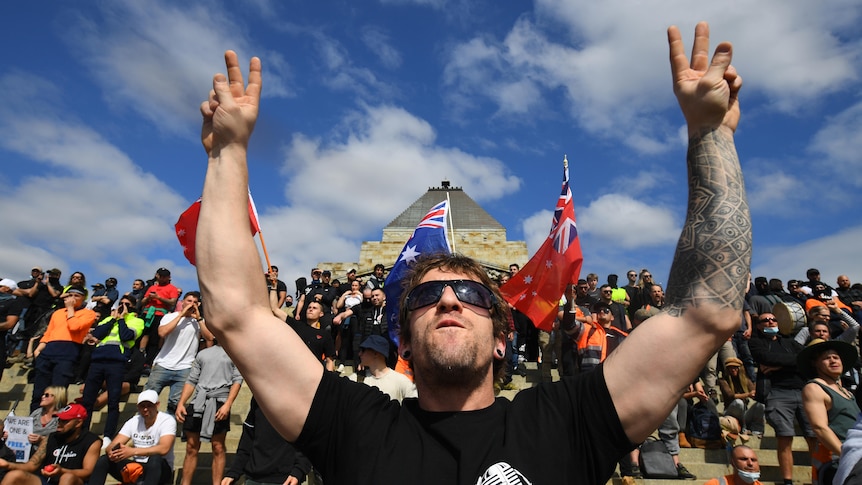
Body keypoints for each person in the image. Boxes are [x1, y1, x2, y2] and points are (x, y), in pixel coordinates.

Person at [195, 21, 750, 483]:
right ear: (403, 337)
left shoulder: (567, 422)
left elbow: (707, 310)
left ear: (504, 335)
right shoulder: (353, 423)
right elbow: (237, 314)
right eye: (428, 295)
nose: (449, 302)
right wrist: (228, 152)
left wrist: (709, 133)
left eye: (468, 293)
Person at [175, 341, 243, 485]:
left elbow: (238, 380)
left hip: (219, 401)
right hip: (198, 402)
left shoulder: (235, 353)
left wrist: (228, 404)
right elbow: (192, 379)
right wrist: (181, 402)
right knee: (191, 447)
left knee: (218, 446)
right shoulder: (203, 354)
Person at [80, 294, 145, 442]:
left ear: (133, 307)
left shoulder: (137, 321)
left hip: (116, 363)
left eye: (127, 304)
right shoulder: (109, 319)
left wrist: (122, 319)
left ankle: (108, 436)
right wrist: (114, 319)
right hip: (97, 362)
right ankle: (83, 433)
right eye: (121, 304)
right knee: (87, 401)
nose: (123, 307)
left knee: (113, 401)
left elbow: (127, 336)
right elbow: (97, 333)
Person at [800, 339, 860, 485]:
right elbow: (820, 428)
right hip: (835, 461)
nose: (833, 360)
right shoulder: (814, 388)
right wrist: (846, 455)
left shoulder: (847, 392)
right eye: (827, 358)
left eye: (836, 357)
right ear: (815, 363)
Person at [30, 286, 97, 412]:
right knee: (39, 389)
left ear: (83, 298)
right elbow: (49, 332)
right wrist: (39, 349)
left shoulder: (88, 313)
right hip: (49, 349)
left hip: (68, 350)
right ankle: (34, 418)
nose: (72, 298)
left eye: (76, 296)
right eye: (69, 295)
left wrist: (71, 308)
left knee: (58, 389)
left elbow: (74, 327)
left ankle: (54, 421)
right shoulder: (58, 313)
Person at [144, 291, 212, 414]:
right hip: (163, 365)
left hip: (184, 368)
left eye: (195, 302)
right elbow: (162, 333)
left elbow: (209, 337)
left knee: (175, 405)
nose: (191, 304)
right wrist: (181, 315)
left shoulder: (199, 321)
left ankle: (168, 431)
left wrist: (199, 318)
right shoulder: (169, 316)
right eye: (189, 301)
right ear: (182, 302)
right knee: (147, 400)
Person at [0, 404, 101, 485]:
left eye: (64, 421)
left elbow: (88, 472)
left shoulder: (91, 441)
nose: (59, 423)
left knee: (67, 477)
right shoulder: (51, 437)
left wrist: (62, 471)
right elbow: (31, 465)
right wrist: (8, 465)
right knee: (14, 475)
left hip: (75, 481)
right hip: (46, 481)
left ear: (78, 423)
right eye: (58, 419)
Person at [91, 390, 176, 485]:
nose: (145, 409)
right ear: (138, 407)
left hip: (160, 469)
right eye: (142, 406)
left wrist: (132, 451)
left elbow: (164, 448)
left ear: (157, 405)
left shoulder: (167, 420)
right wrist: (112, 452)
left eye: (149, 405)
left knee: (155, 459)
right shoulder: (133, 421)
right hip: (137, 467)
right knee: (104, 460)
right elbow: (114, 444)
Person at [222, 397, 311, 485]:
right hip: (253, 478)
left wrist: (299, 471)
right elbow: (247, 440)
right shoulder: (258, 398)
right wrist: (233, 472)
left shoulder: (299, 398)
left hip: (285, 479)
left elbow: (309, 439)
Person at [356, 335, 416, 402]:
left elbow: (415, 404)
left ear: (375, 353)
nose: (359, 354)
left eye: (363, 350)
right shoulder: (357, 379)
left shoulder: (400, 381)